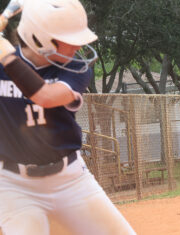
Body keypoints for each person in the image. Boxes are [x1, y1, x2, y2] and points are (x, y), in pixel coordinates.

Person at [0, 0, 136, 234]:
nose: (78, 47)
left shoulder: (77, 67)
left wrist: (7, 56)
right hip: (14, 186)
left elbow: (47, 96)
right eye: (70, 41)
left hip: (71, 180)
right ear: (41, 40)